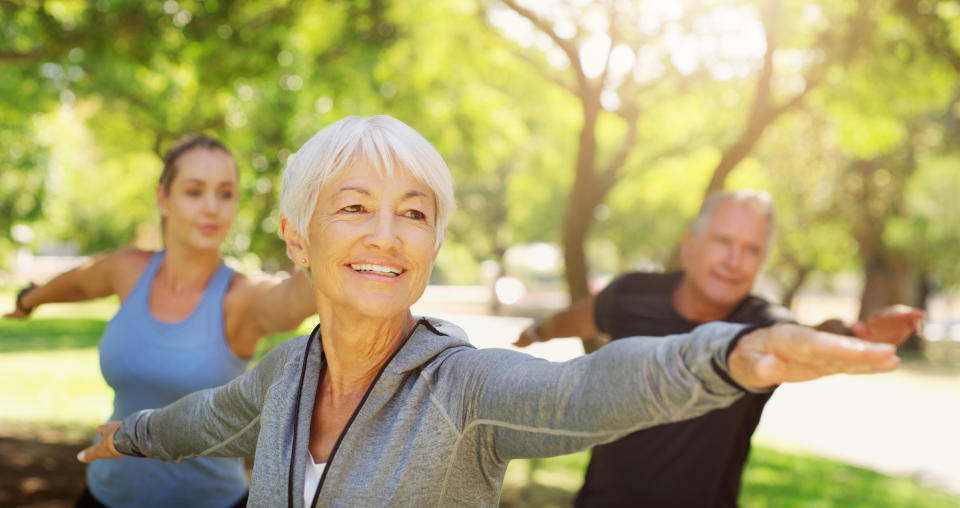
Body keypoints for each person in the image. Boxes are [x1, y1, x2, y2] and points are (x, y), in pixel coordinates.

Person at [76, 116, 903, 507]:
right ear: (298, 236)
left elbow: (584, 392)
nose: (387, 235)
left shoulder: (463, 389)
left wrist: (723, 357)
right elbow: (202, 421)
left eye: (414, 213)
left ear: (434, 243)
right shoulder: (286, 373)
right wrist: (130, 436)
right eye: (354, 207)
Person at [513, 189, 924, 508]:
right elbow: (576, 318)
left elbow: (805, 339)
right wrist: (537, 332)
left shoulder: (762, 323)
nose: (734, 260)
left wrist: (854, 335)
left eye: (751, 250)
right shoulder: (633, 294)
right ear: (691, 247)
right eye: (723, 241)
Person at [5, 135, 317, 508]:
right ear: (163, 198)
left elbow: (299, 297)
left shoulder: (243, 299)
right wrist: (28, 300)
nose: (212, 208)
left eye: (226, 193)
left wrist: (330, 234)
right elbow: (75, 283)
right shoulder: (128, 270)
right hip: (105, 495)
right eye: (194, 191)